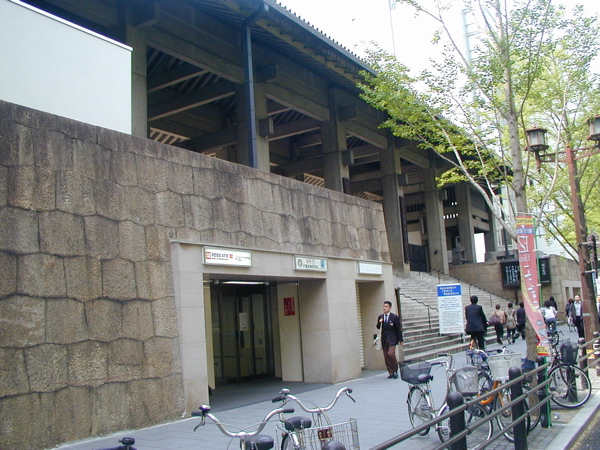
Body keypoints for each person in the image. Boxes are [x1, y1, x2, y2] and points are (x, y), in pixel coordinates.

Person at [376, 300, 403, 379]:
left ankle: (395, 370)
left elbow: (398, 329)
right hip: (384, 339)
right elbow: (378, 327)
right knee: (386, 357)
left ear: (390, 308)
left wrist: (400, 340)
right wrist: (379, 322)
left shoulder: (394, 317)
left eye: (386, 306)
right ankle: (390, 372)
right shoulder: (381, 317)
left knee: (391, 354)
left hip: (392, 339)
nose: (384, 308)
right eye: (384, 306)